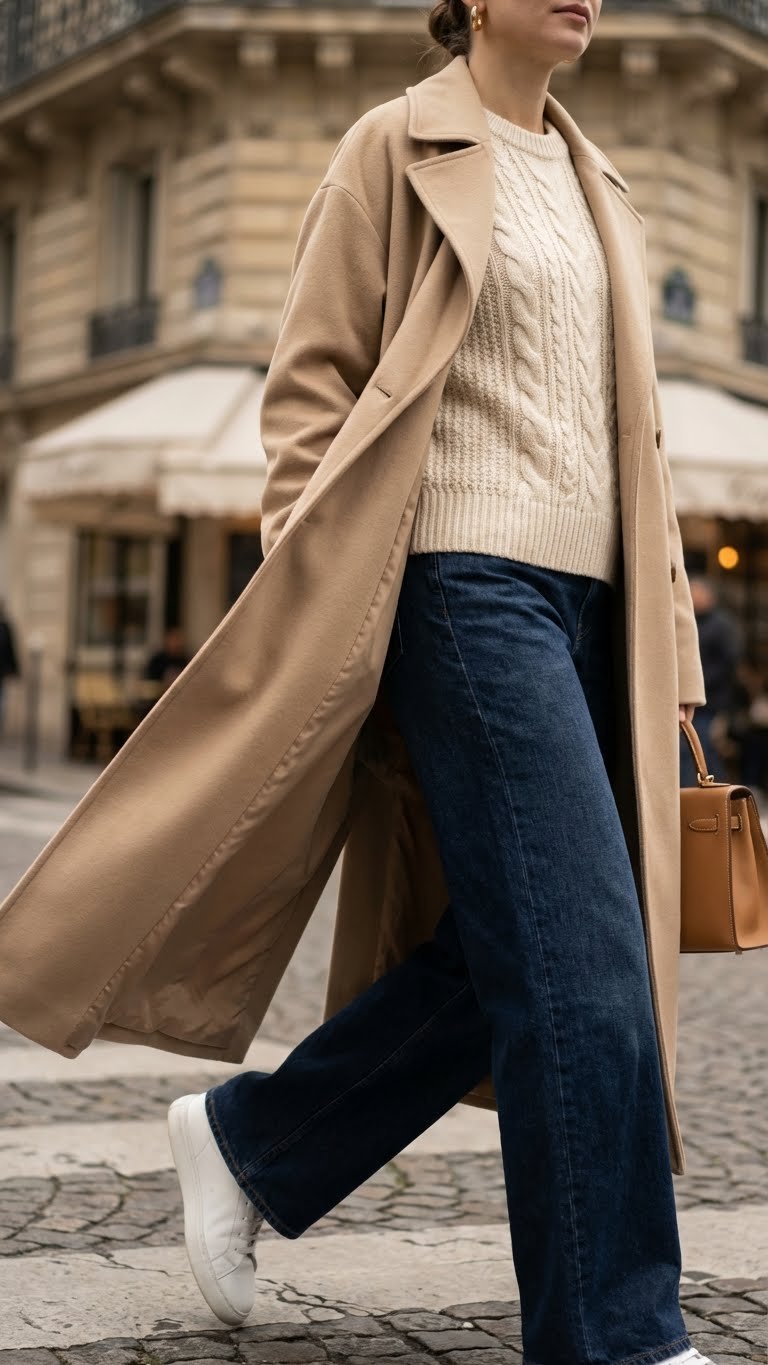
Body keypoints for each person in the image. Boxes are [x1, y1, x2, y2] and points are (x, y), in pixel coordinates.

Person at [165, 6, 711, 1364]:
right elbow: (309, 397)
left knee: (523, 943)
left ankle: (254, 1141)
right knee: (590, 975)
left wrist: (679, 653)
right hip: (462, 583)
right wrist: (324, 602)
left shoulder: (603, 188)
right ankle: (619, 1337)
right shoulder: (390, 146)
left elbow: (632, 441)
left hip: (600, 611)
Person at [679, 576, 742, 785]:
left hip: (713, 702)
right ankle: (695, 795)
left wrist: (698, 681)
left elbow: (729, 663)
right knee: (691, 751)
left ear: (709, 595)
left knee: (707, 751)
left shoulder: (722, 625)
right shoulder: (691, 621)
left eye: (696, 592)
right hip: (692, 698)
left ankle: (718, 799)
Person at [144, 626, 191, 692]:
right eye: (173, 639)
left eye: (177, 639)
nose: (175, 643)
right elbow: (150, 683)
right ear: (167, 640)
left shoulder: (185, 660)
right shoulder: (158, 661)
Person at [0, 599, 19, 738]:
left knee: (2, 702)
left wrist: (14, 669)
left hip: (2, 671)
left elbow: (11, 648)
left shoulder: (6, 627)